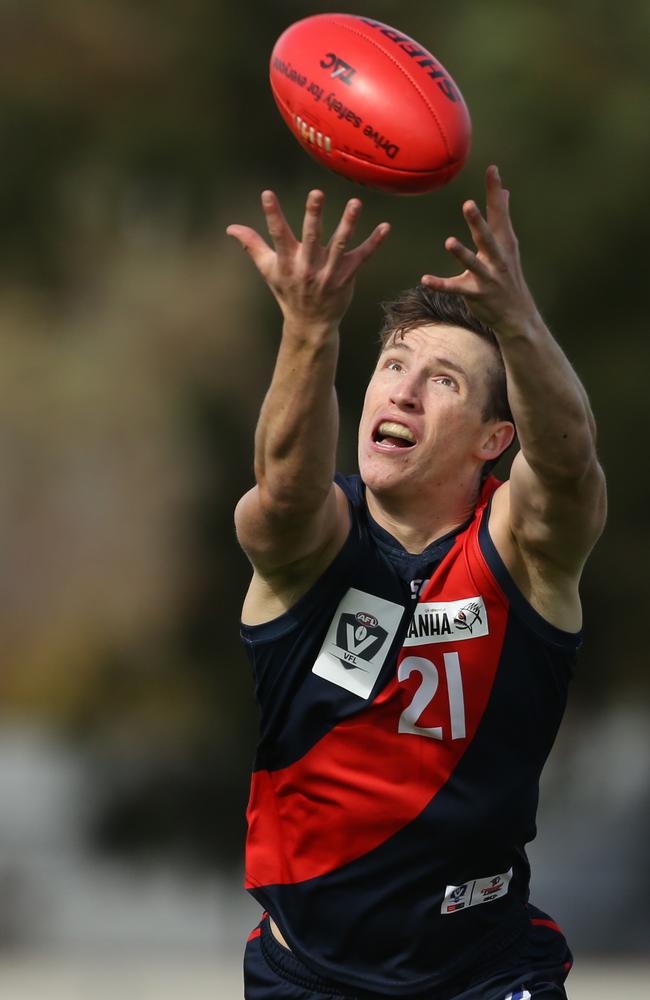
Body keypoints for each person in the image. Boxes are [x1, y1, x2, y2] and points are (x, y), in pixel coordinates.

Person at [226, 166, 606, 1000]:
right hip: (308, 974)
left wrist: (517, 321)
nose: (402, 389)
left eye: (444, 382)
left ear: (493, 440)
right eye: (393, 364)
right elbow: (284, 487)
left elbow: (571, 467)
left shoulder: (522, 553)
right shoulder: (313, 545)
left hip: (487, 971)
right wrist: (310, 327)